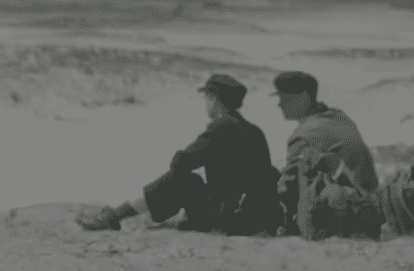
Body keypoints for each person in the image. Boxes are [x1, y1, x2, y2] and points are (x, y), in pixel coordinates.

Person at [77, 74, 282, 235]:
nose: (205, 103)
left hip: (231, 219)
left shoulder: (222, 127)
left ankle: (114, 216)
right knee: (192, 181)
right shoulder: (254, 131)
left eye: (206, 98)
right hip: (256, 215)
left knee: (180, 179)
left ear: (214, 99)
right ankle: (118, 214)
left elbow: (180, 164)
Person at [271, 71, 381, 239]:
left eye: (284, 97)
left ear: (303, 97)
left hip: (341, 216)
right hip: (372, 210)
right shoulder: (342, 118)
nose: (279, 104)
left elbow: (287, 191)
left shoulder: (303, 135)